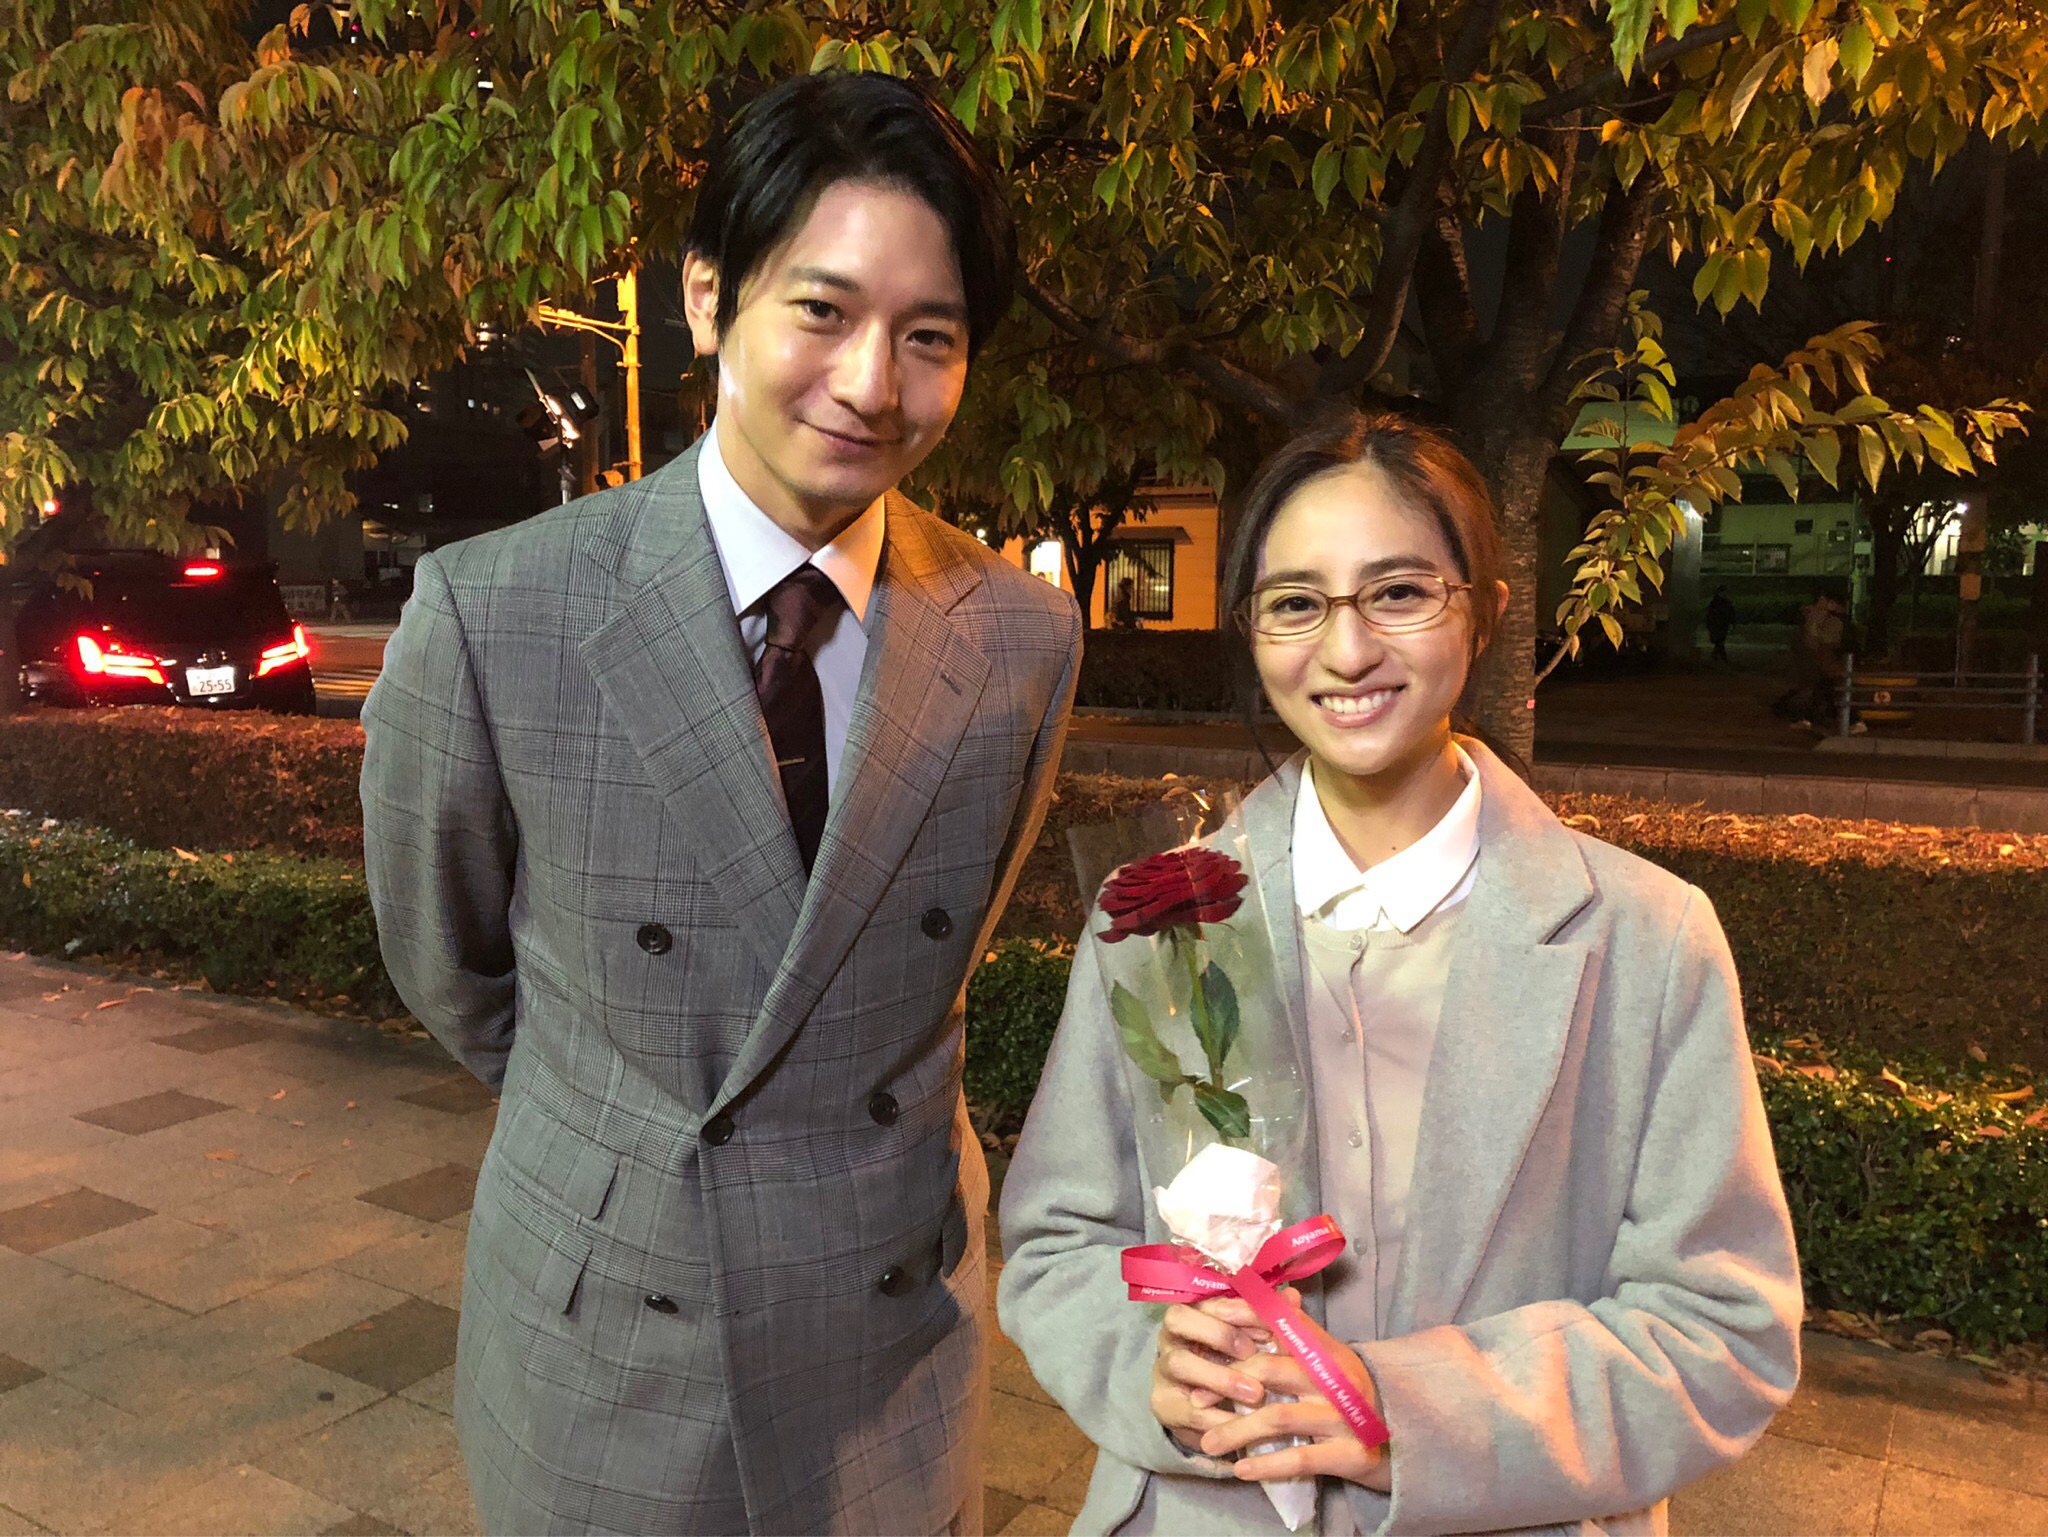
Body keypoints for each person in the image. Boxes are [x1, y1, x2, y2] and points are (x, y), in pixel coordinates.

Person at [361, 73, 1082, 1536]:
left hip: (889, 1328)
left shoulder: (1020, 634)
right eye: (821, 310)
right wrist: (624, 1130)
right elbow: (449, 967)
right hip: (611, 1337)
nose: (870, 383)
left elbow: (922, 967)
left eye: (929, 337)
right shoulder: (499, 611)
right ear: (706, 297)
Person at [999, 408, 1801, 1536]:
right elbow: (1056, 1241)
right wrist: (1148, 1366)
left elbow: (1721, 1325)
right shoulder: (1162, 915)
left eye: (1399, 592)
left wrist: (1412, 1411)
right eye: (1295, 603)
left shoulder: (1645, 940)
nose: (1346, 652)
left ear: (1485, 613)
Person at [1705, 584, 1735, 661]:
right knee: (1720, 641)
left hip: (1722, 624)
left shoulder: (1724, 602)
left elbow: (1730, 613)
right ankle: (1721, 656)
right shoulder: (1715, 603)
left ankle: (1716, 655)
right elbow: (1710, 614)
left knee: (1720, 641)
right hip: (1717, 624)